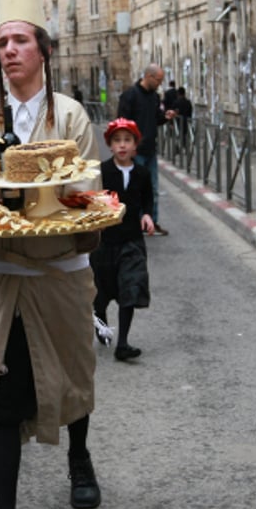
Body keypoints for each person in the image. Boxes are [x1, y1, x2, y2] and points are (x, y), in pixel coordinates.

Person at [0, 0, 103, 509]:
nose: (9, 51)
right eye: (2, 43)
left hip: (62, 271)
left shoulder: (69, 115)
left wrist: (58, 204)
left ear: (42, 49)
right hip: (5, 271)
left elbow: (87, 199)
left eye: (19, 40)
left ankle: (80, 457)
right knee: (3, 390)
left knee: (71, 373)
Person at [91, 118, 155, 362]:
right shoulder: (102, 171)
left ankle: (123, 343)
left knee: (130, 286)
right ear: (110, 145)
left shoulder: (142, 172)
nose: (122, 145)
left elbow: (147, 198)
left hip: (131, 241)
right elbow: (92, 199)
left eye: (127, 140)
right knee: (101, 291)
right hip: (104, 242)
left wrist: (147, 215)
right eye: (117, 140)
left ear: (135, 145)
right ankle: (101, 321)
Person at [117, 64, 176, 235]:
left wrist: (166, 117)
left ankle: (151, 222)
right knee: (134, 190)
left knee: (153, 189)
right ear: (148, 77)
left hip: (150, 150)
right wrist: (128, 147)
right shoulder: (130, 96)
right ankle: (133, 223)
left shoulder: (154, 97)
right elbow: (122, 123)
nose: (159, 84)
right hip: (135, 152)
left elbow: (156, 119)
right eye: (158, 80)